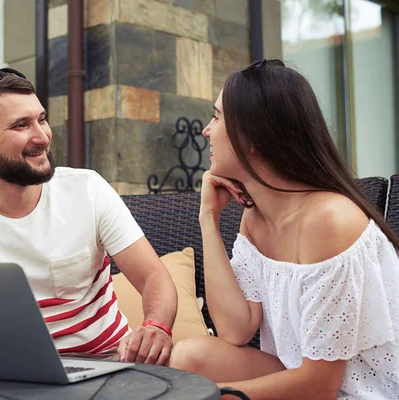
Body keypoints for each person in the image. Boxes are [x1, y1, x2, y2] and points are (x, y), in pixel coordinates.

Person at [168, 59, 399, 399]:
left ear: (253, 138)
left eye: (217, 117)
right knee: (191, 356)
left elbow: (320, 386)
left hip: (355, 391)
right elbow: (234, 330)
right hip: (302, 377)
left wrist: (213, 397)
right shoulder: (256, 218)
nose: (206, 130)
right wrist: (208, 219)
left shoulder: (330, 222)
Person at [0, 68, 177, 365]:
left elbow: (153, 276)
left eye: (41, 119)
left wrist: (156, 326)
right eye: (20, 126)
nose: (42, 136)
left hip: (107, 363)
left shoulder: (87, 189)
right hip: (7, 375)